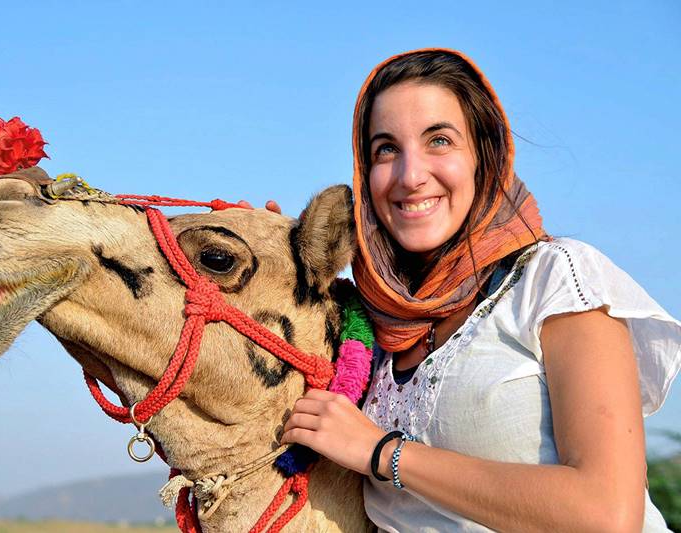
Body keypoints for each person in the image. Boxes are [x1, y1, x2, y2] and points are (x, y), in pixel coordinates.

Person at [281, 48, 680, 531]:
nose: (410, 176)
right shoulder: (373, 323)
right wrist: (269, 255)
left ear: (484, 156)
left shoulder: (554, 279)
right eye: (386, 148)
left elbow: (605, 515)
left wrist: (381, 451)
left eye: (440, 140)